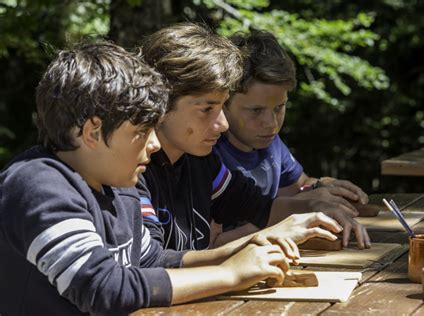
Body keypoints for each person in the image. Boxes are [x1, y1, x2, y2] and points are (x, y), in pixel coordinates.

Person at [0, 41, 308, 315]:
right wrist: (229, 274)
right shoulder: (39, 185)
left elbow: (150, 261)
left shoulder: (118, 186)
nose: (155, 144)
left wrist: (241, 251)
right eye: (140, 131)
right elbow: (101, 288)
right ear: (93, 132)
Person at [138, 23, 362, 253]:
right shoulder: (133, 171)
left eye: (223, 106)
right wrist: (248, 256)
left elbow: (259, 207)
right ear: (160, 103)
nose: (222, 124)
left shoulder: (202, 162)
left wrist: (314, 206)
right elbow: (151, 267)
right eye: (207, 109)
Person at [214, 30, 371, 249]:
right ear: (222, 102)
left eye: (279, 107)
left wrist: (324, 187)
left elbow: (297, 187)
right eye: (256, 110)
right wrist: (304, 208)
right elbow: (212, 246)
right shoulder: (207, 153)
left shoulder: (270, 142)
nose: (271, 123)